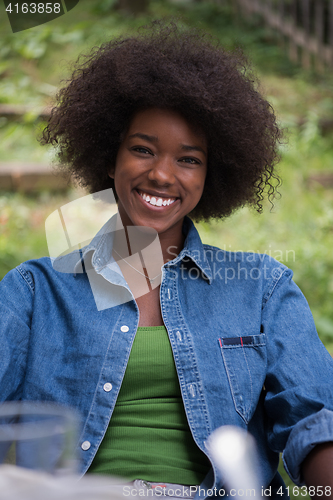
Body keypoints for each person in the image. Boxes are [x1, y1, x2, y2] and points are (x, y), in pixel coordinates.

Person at [1, 20, 333, 499]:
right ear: (110, 157)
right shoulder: (34, 292)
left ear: (211, 175)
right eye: (142, 150)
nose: (161, 174)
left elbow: (315, 421)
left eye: (188, 159)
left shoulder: (260, 287)